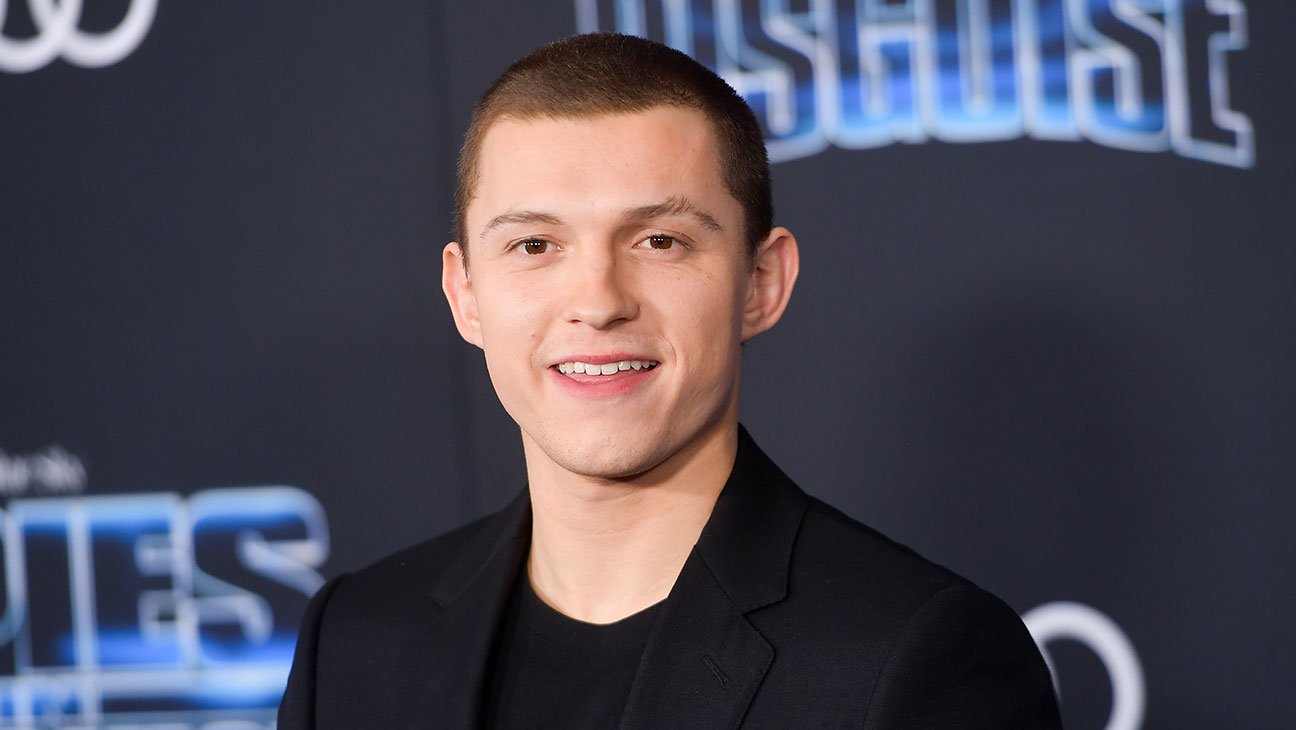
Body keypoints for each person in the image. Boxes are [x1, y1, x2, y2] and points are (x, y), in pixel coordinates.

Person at [278, 32, 1062, 729]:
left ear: (761, 283)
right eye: (534, 245)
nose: (598, 302)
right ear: (466, 294)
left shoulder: (914, 657)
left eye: (659, 240)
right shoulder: (353, 643)